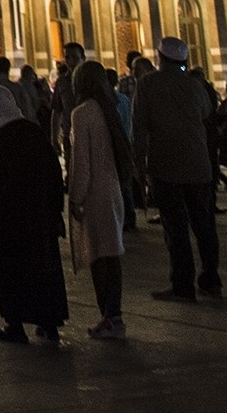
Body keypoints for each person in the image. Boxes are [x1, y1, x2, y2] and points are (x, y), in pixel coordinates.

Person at [0, 83, 68, 344]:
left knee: (9, 272)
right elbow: (53, 173)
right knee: (42, 270)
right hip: (38, 216)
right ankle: (49, 323)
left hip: (4, 220)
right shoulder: (32, 131)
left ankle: (15, 324)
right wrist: (56, 208)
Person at [134, 37, 223, 299]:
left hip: (166, 166)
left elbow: (139, 127)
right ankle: (211, 279)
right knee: (204, 225)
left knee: (176, 228)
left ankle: (182, 285)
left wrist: (139, 165)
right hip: (198, 165)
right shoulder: (195, 85)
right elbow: (207, 113)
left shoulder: (147, 84)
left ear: (160, 58)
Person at [67, 60, 131, 340]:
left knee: (98, 256)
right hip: (113, 187)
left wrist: (76, 197)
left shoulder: (82, 113)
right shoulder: (109, 108)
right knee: (111, 252)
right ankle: (114, 315)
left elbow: (82, 162)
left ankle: (109, 316)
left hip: (94, 193)